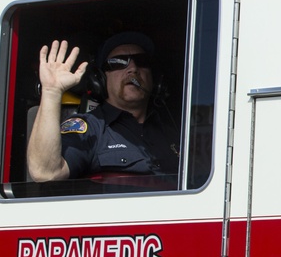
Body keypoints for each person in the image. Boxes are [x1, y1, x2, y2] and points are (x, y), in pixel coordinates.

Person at [26, 31, 179, 182]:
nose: (133, 68)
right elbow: (45, 173)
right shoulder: (90, 129)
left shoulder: (174, 132)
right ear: (100, 80)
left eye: (142, 61)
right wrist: (51, 92)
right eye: (118, 62)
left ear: (154, 78)